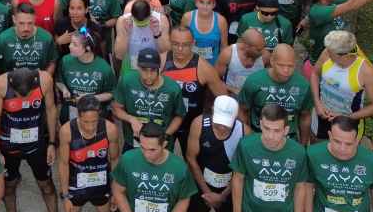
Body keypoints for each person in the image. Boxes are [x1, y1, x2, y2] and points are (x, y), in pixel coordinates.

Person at [0, 66, 63, 212]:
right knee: (9, 185)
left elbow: (51, 110)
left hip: (36, 143)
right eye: (18, 96)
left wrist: (52, 143)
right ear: (11, 83)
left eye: (28, 96)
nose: (23, 99)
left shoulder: (45, 80)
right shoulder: (0, 84)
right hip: (9, 144)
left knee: (46, 185)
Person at [230, 103, 308, 212]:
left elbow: (300, 187)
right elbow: (238, 179)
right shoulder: (246, 146)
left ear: (286, 130)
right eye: (266, 128)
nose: (270, 136)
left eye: (277, 130)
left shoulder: (298, 152)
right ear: (260, 124)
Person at [111, 121, 196, 212]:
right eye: (142, 148)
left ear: (164, 144)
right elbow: (118, 190)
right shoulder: (128, 159)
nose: (146, 155)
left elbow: (183, 200)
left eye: (152, 150)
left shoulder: (179, 168)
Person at [58, 95, 120, 212]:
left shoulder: (110, 129)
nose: (91, 127)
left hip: (101, 184)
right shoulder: (66, 131)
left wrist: (116, 192)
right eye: (86, 122)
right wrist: (65, 196)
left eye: (94, 121)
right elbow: (63, 164)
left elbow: (114, 160)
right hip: (76, 184)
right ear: (78, 116)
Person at [185, 95, 244, 212]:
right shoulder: (199, 124)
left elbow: (241, 170)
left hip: (228, 185)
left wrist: (222, 195)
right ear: (212, 112)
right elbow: (191, 158)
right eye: (218, 123)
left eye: (226, 124)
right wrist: (206, 192)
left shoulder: (243, 131)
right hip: (201, 182)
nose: (222, 128)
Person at [162, 26, 227, 158]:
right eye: (175, 44)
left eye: (185, 45)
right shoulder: (161, 61)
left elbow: (223, 98)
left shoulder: (204, 68)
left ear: (193, 43)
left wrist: (213, 119)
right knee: (160, 159)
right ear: (169, 41)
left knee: (193, 160)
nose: (180, 49)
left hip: (191, 125)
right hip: (164, 122)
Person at [310, 30, 373, 141]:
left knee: (343, 149)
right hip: (321, 114)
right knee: (316, 142)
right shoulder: (327, 53)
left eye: (330, 51)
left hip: (348, 123)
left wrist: (347, 117)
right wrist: (317, 103)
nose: (327, 51)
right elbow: (315, 74)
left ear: (342, 55)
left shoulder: (366, 71)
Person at [112, 48, 185, 153]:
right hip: (133, 141)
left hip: (161, 144)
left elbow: (179, 116)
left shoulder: (172, 88)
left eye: (153, 70)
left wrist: (166, 136)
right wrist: (131, 119)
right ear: (137, 67)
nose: (148, 75)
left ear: (159, 68)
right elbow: (116, 108)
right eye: (144, 70)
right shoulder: (127, 81)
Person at [238, 44, 312, 144]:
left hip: (289, 139)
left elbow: (305, 116)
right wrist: (248, 137)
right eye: (281, 65)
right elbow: (243, 110)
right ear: (272, 61)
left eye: (290, 66)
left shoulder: (303, 85)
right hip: (259, 136)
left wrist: (303, 146)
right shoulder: (254, 81)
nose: (286, 70)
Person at [56, 30, 116, 124]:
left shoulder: (104, 68)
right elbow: (59, 80)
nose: (69, 46)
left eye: (75, 44)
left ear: (87, 48)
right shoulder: (65, 61)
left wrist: (91, 97)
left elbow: (111, 93)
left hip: (94, 113)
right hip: (71, 110)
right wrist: (64, 89)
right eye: (71, 42)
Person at [0, 3, 57, 76]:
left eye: (30, 23)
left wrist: (46, 78)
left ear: (35, 19)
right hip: (11, 81)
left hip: (38, 80)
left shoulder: (46, 38)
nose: (26, 28)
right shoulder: (4, 38)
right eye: (21, 23)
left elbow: (52, 62)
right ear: (14, 19)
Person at [181, 0, 228, 65]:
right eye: (201, 2)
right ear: (196, 3)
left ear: (214, 5)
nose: (205, 6)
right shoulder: (187, 17)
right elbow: (181, 40)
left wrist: (221, 65)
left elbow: (224, 46)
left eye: (209, 3)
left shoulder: (221, 21)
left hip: (213, 64)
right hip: (191, 63)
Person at [215, 28, 267, 96]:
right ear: (246, 46)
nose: (262, 52)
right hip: (232, 94)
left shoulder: (265, 56)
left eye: (264, 47)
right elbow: (215, 79)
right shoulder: (228, 54)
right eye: (258, 50)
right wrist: (233, 89)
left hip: (255, 95)